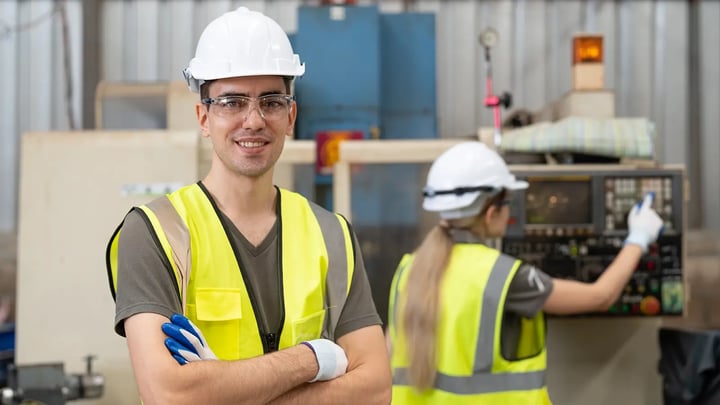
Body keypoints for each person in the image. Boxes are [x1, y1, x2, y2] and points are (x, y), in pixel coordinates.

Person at [105, 7, 391, 405]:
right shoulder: (156, 232)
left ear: (291, 116)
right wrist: (311, 360)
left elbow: (375, 388)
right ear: (204, 117)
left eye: (271, 102)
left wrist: (224, 390)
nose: (254, 120)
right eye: (232, 102)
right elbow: (169, 394)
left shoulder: (331, 235)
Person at [386, 141, 663, 404]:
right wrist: (637, 238)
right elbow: (600, 296)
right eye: (509, 204)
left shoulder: (409, 270)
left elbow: (387, 355)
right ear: (492, 212)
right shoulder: (503, 276)